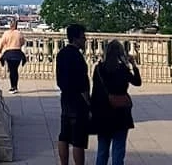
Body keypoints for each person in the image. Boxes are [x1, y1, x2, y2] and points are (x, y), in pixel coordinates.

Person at [90, 40, 142, 165]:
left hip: (103, 113)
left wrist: (92, 111)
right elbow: (137, 82)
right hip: (120, 113)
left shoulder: (99, 69)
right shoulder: (123, 69)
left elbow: (95, 93)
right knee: (118, 150)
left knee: (102, 150)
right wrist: (133, 65)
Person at [56, 23, 90, 165]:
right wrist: (88, 103)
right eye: (83, 37)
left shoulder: (61, 54)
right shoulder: (77, 57)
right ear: (76, 38)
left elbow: (59, 79)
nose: (85, 40)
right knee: (78, 139)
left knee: (64, 135)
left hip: (65, 97)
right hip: (78, 101)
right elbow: (83, 84)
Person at [0, 18, 27, 93]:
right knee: (15, 70)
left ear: (10, 25)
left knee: (12, 70)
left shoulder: (6, 33)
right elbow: (23, 42)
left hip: (9, 53)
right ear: (16, 26)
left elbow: (1, 44)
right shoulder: (19, 33)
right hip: (17, 53)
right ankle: (15, 86)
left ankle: (13, 87)